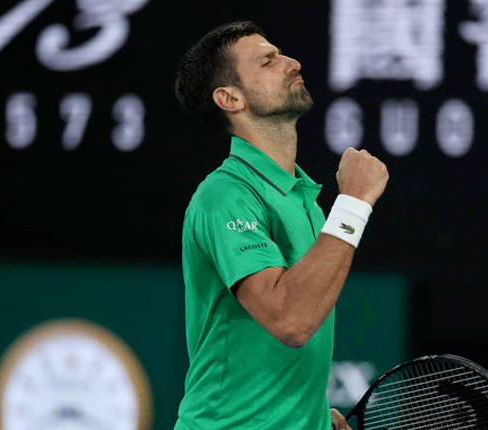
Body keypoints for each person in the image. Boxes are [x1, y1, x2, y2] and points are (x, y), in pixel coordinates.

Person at [173, 21, 389, 430]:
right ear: (230, 98)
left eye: (281, 54)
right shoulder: (225, 196)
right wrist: (354, 203)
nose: (292, 63)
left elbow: (283, 341)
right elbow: (291, 320)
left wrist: (309, 415)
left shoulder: (300, 197)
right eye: (268, 61)